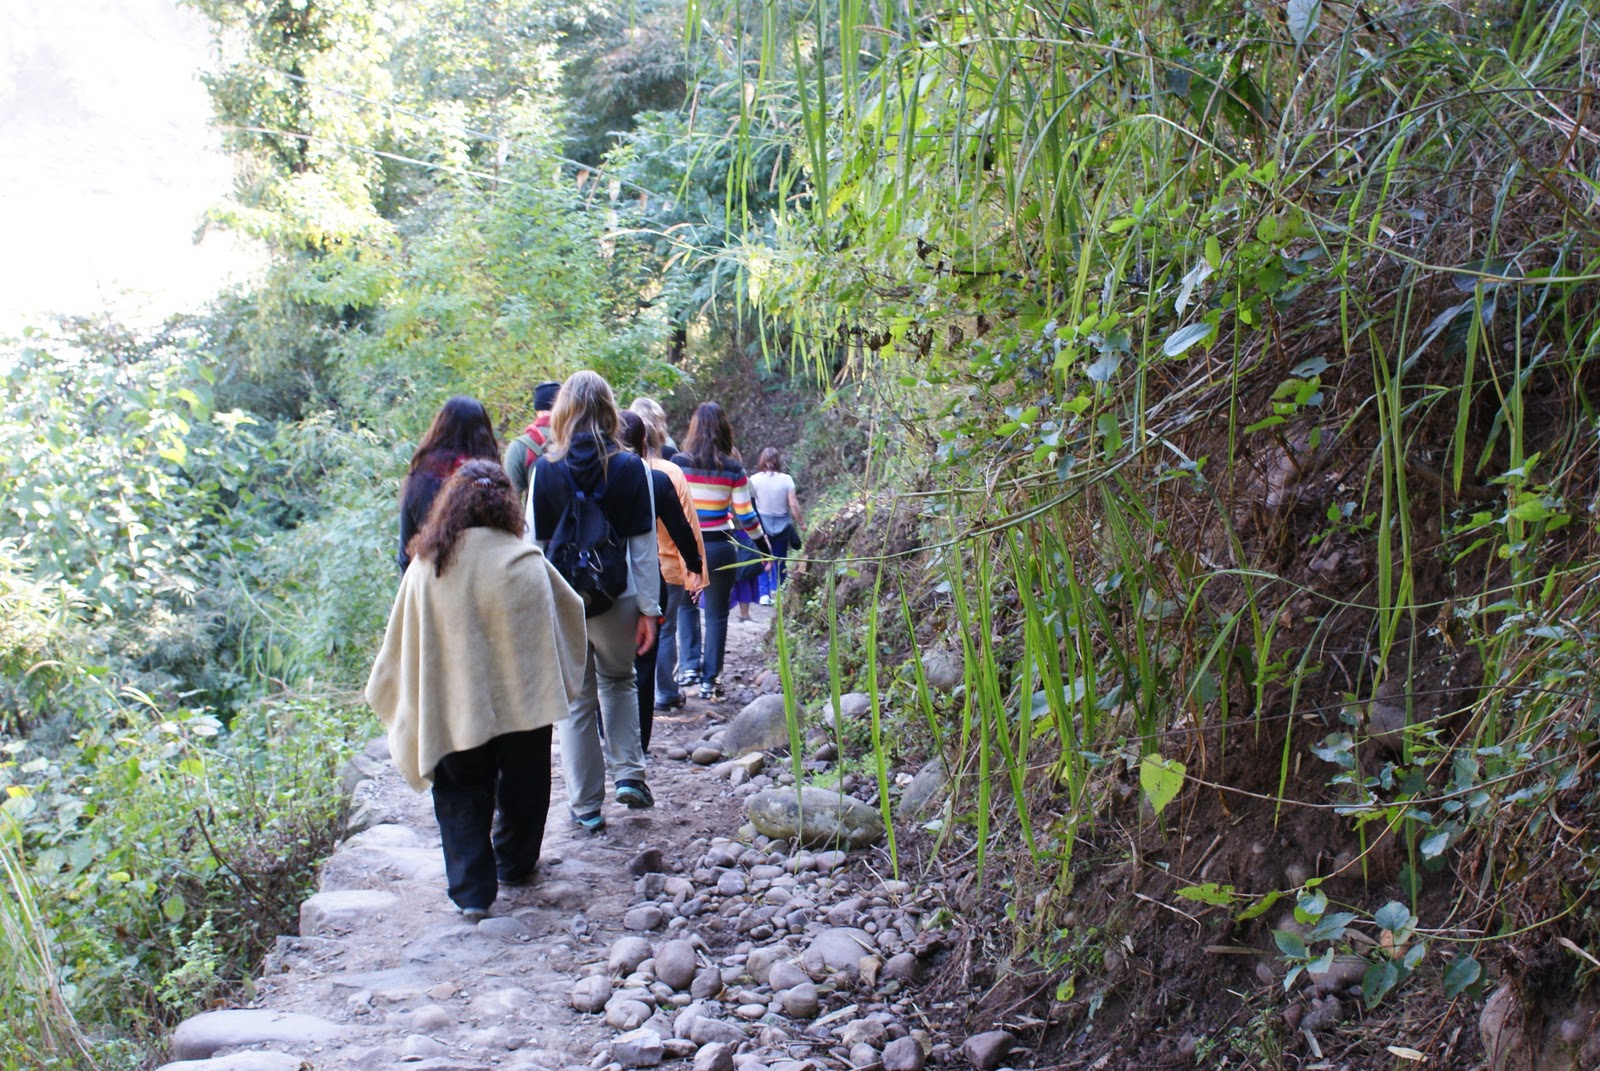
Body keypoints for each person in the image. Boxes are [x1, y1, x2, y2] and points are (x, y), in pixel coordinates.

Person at [366, 460, 586, 922]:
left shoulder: (427, 566)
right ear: (507, 505)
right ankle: (515, 862)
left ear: (451, 503)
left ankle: (471, 891)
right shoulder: (525, 562)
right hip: (523, 704)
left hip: (452, 702)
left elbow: (402, 640)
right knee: (526, 788)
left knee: (460, 790)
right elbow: (570, 611)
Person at [528, 371, 660, 830]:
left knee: (576, 701)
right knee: (619, 681)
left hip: (563, 600)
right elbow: (642, 546)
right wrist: (650, 609)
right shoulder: (631, 467)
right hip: (617, 594)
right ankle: (629, 775)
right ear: (609, 410)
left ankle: (586, 806)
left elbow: (534, 547)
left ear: (563, 410)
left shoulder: (545, 469)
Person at [671, 402, 769, 701]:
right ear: (725, 430)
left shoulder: (678, 463)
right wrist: (763, 547)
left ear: (694, 429)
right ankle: (709, 680)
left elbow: (670, 507)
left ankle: (689, 667)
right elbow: (746, 515)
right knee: (716, 614)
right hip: (720, 546)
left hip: (684, 545)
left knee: (686, 607)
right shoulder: (733, 468)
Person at [618, 410, 703, 747]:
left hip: (605, 583)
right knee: (644, 661)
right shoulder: (657, 479)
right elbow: (682, 528)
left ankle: (608, 734)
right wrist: (695, 564)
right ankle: (638, 744)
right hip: (650, 580)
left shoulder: (594, 476)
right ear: (645, 441)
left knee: (604, 667)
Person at [632, 397, 701, 698]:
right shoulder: (670, 472)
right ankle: (666, 691)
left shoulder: (614, 470)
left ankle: (633, 693)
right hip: (668, 565)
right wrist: (696, 570)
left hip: (627, 570)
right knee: (665, 629)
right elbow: (687, 526)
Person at [398, 396, 500, 573]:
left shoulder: (420, 479)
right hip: (486, 580)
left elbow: (405, 555)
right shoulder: (490, 482)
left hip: (432, 579)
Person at [748, 447, 805, 603]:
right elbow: (793, 504)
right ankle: (777, 590)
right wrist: (801, 523)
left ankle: (764, 594)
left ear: (761, 460)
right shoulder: (786, 479)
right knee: (779, 559)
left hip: (761, 524)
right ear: (778, 460)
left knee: (762, 557)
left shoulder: (754, 480)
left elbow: (749, 504)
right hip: (782, 524)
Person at [503, 380, 563, 505]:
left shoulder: (519, 447)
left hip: (535, 516)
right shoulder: (576, 440)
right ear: (564, 407)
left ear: (537, 410)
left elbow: (509, 501)